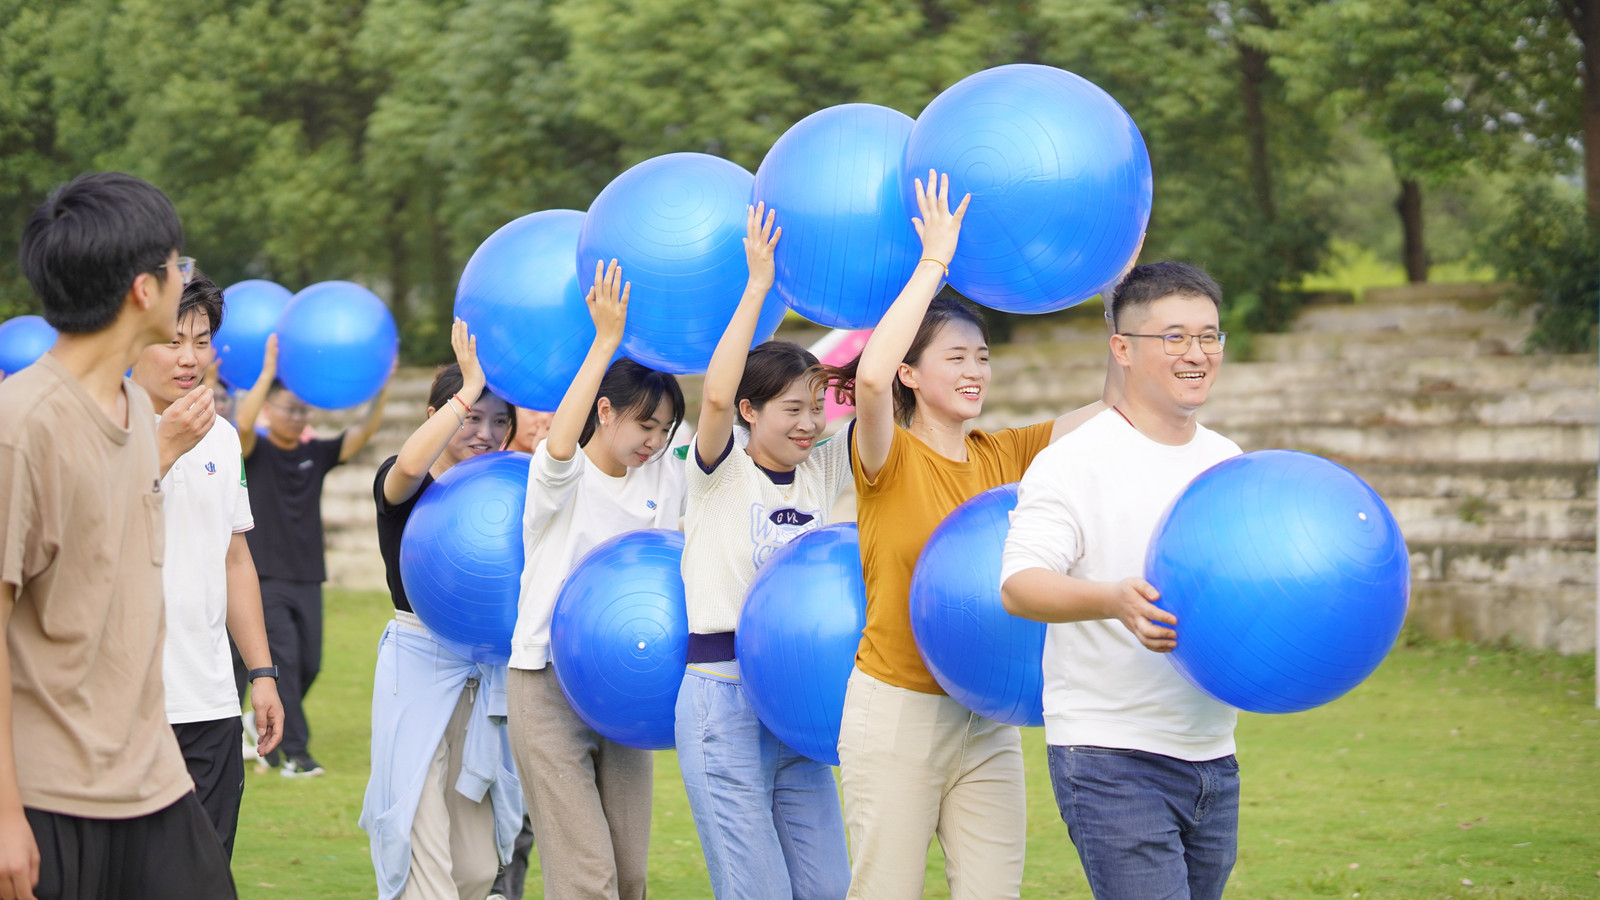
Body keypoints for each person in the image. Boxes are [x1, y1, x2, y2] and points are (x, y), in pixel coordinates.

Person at [822, 171, 1110, 900]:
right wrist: (935, 263)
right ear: (913, 374)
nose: (976, 369)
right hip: (897, 713)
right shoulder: (885, 454)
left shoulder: (1003, 456)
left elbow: (1115, 407)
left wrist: (1123, 300)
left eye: (982, 356)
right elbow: (868, 381)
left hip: (987, 716)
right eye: (957, 357)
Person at [0, 171, 236, 898]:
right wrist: (6, 815)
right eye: (177, 266)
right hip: (50, 798)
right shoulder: (22, 427)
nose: (182, 279)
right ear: (143, 288)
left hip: (152, 779)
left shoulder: (138, 410)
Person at [1000, 262, 1241, 900]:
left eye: (1209, 336)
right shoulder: (1073, 462)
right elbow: (1020, 584)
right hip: (1110, 753)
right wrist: (1112, 599)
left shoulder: (1227, 460)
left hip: (1212, 749)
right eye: (1175, 337)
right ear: (1123, 349)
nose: (1197, 354)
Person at [674, 204, 850, 899]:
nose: (810, 423)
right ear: (752, 411)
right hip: (721, 700)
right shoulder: (718, 469)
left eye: (816, 407)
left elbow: (870, 383)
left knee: (829, 887)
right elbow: (714, 393)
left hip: (798, 701)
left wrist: (920, 272)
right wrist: (759, 286)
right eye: (792, 409)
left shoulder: (823, 467)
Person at [508, 259, 686, 900]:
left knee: (630, 877)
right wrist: (606, 342)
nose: (654, 440)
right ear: (604, 412)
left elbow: (715, 407)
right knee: (587, 877)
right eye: (644, 424)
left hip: (631, 684)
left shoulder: (667, 474)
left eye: (665, 429)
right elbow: (559, 443)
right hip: (547, 681)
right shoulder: (559, 475)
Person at [359, 318, 525, 900]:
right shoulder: (405, 481)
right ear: (439, 415)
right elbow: (405, 469)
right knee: (422, 845)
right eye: (473, 417)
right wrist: (467, 389)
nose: (486, 432)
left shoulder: (507, 488)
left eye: (499, 420)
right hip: (417, 664)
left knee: (477, 868)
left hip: (482, 672)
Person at [130, 271, 284, 858]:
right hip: (128, 707)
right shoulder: (103, 430)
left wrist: (262, 674)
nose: (189, 358)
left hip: (211, 702)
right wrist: (164, 447)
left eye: (201, 341)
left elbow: (233, 557)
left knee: (208, 872)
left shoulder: (221, 436)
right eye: (173, 341)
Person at [234, 333, 390, 776]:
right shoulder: (254, 451)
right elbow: (241, 427)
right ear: (269, 410)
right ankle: (295, 756)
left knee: (310, 664)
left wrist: (380, 389)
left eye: (303, 410)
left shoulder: (314, 453)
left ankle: (259, 723)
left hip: (307, 575)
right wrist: (267, 373)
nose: (298, 416)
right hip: (264, 577)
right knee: (283, 659)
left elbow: (362, 435)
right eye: (289, 408)